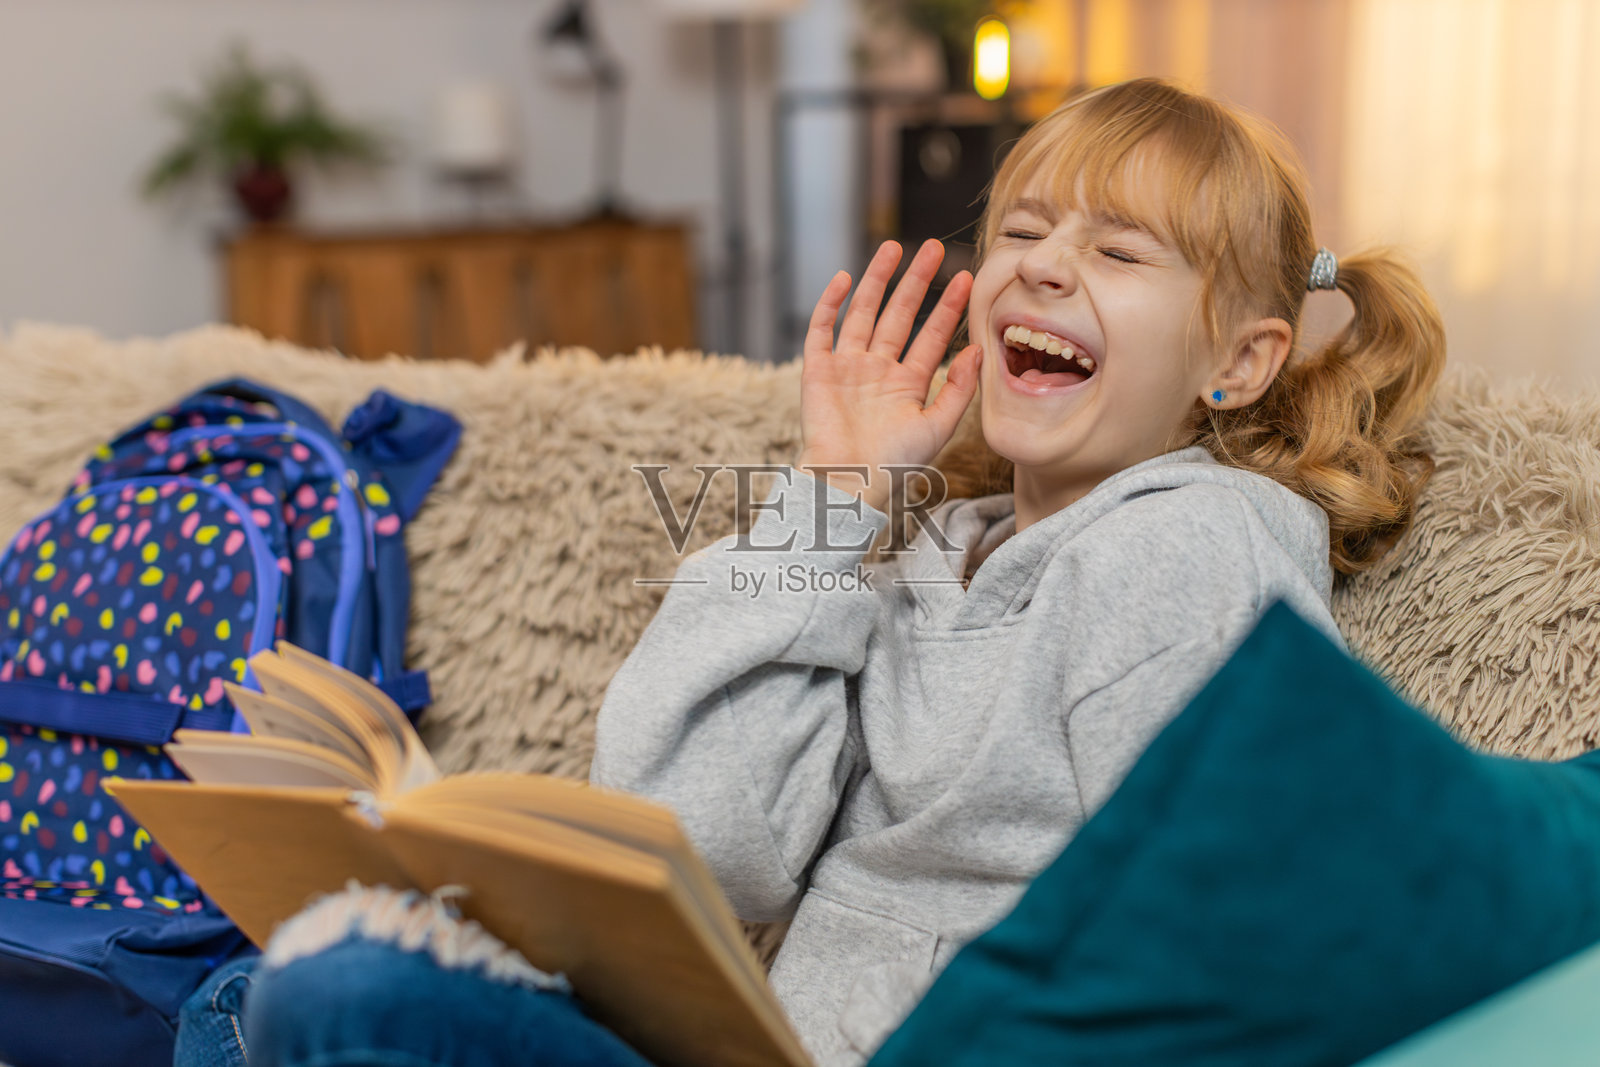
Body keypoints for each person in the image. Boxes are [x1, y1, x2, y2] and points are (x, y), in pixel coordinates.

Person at [182, 76, 1445, 1067]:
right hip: (759, 1040)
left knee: (332, 991)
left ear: (1238, 361)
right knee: (240, 992)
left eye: (1120, 253)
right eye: (1020, 230)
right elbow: (706, 845)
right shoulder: (927, 556)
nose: (1044, 264)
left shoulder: (1193, 544)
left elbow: (1220, 925)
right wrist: (835, 495)